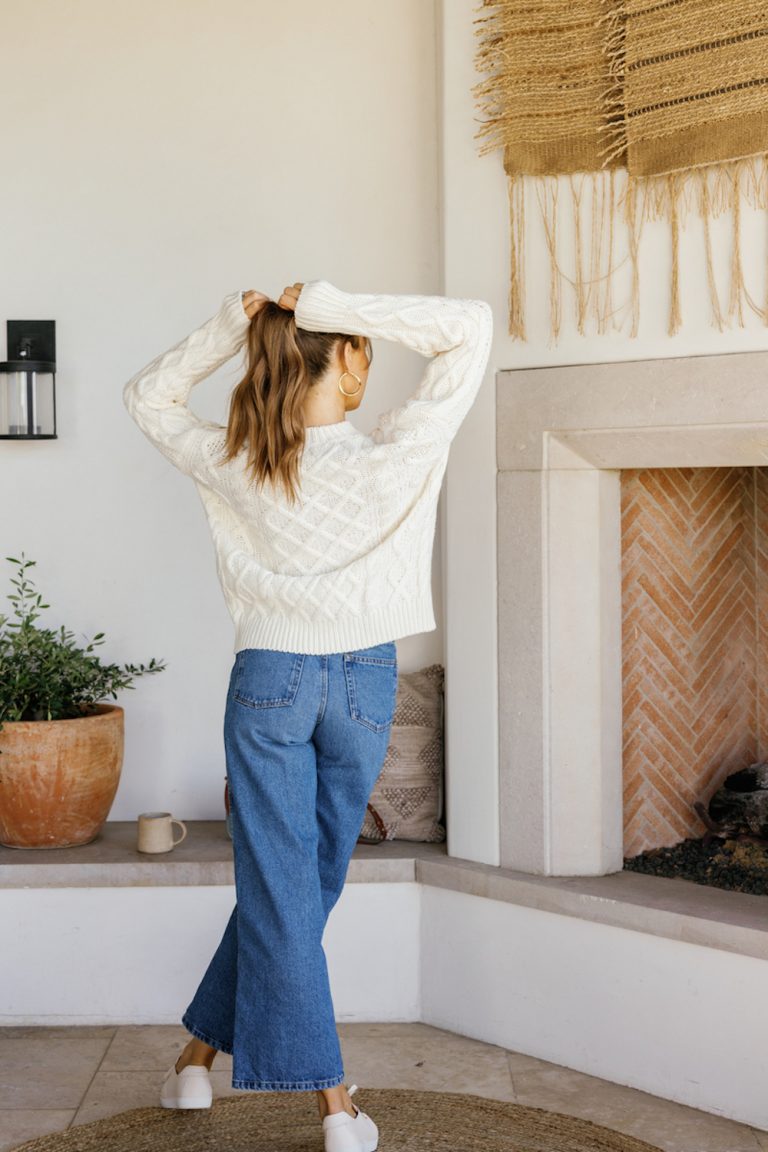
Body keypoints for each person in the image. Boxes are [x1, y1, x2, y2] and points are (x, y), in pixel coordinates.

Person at [122, 278, 493, 1151]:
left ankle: (194, 1061)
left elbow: (147, 396)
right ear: (352, 353)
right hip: (365, 683)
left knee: (291, 889)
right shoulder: (401, 448)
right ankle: (333, 1104)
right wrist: (333, 302)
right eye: (362, 344)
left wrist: (233, 323)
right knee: (297, 889)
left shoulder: (238, 461)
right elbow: (468, 328)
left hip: (270, 681)